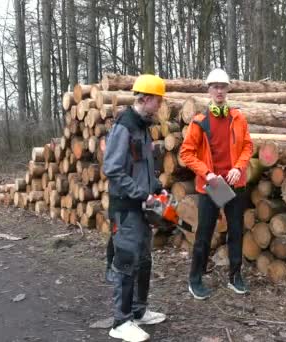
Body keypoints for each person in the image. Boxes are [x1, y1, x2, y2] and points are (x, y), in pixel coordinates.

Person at [103, 74, 168, 342]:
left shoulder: (143, 126)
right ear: (146, 98)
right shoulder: (125, 126)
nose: (161, 105)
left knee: (144, 260)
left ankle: (139, 312)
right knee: (127, 262)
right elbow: (113, 169)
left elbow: (143, 167)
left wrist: (156, 189)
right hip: (127, 209)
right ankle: (121, 321)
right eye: (158, 100)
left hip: (142, 208)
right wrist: (141, 194)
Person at [179, 68, 254, 300]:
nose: (219, 90)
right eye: (215, 86)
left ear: (228, 89)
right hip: (211, 186)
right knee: (203, 234)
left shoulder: (238, 117)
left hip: (234, 184)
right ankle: (195, 279)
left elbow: (247, 147)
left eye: (223, 86)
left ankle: (235, 276)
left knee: (236, 232)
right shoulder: (199, 122)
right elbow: (186, 153)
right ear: (209, 90)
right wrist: (207, 174)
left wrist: (238, 167)